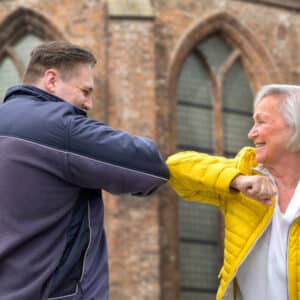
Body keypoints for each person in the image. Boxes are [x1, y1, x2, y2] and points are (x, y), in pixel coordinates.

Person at [0, 41, 169, 300]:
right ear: (51, 80)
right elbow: (149, 167)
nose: (88, 104)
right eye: (85, 91)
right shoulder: (60, 127)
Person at [167, 84, 300, 300]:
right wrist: (237, 181)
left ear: (295, 127)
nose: (251, 133)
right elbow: (175, 168)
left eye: (261, 122)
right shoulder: (242, 176)